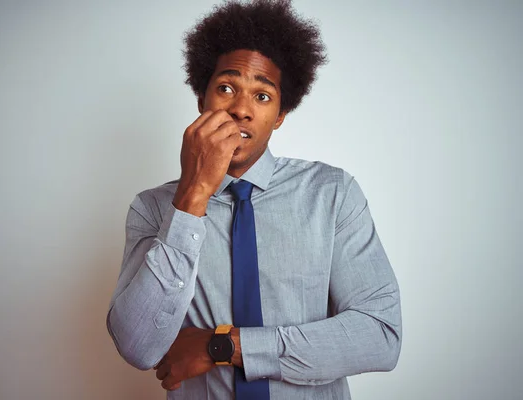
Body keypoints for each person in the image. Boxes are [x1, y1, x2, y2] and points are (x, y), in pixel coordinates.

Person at [107, 0, 402, 399]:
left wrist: (224, 346)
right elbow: (138, 347)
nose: (242, 109)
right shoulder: (154, 208)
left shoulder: (333, 194)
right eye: (226, 88)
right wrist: (192, 197)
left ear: (280, 114)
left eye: (262, 96)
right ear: (202, 98)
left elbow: (380, 336)